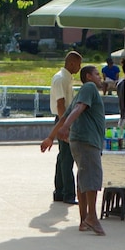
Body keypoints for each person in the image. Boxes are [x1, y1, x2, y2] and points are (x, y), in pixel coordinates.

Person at [40, 65, 107, 236]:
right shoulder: (89, 88)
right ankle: (91, 216)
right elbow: (77, 110)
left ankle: (84, 220)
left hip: (78, 141)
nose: (100, 78)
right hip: (87, 141)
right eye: (97, 74)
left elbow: (63, 117)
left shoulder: (81, 93)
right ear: (88, 77)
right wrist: (65, 128)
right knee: (92, 178)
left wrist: (50, 137)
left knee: (83, 177)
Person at [44, 51, 82, 205]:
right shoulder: (60, 79)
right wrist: (65, 125)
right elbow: (61, 105)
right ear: (71, 63)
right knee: (67, 158)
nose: (79, 68)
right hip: (63, 120)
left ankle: (59, 191)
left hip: (63, 120)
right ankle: (68, 193)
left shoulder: (66, 79)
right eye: (79, 64)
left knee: (62, 157)